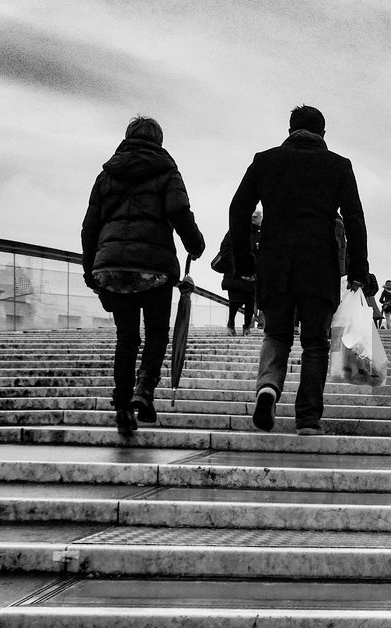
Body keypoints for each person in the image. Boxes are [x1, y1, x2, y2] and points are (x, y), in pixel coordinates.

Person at [228, 105, 369, 436]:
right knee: (315, 343)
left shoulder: (265, 160)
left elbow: (239, 208)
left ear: (290, 129)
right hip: (319, 265)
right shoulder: (338, 165)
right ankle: (307, 419)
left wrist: (245, 260)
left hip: (275, 262)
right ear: (323, 133)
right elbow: (354, 219)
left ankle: (268, 389)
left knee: (276, 333)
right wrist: (358, 269)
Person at [81, 116, 205, 436]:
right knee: (156, 334)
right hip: (153, 268)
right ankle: (144, 389)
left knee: (127, 338)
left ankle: (122, 404)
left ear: (127, 138)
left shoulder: (106, 175)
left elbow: (90, 226)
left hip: (113, 268)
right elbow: (179, 211)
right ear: (159, 141)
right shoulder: (166, 171)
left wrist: (89, 270)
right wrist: (195, 244)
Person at [221, 208, 261, 335]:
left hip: (250, 273)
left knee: (249, 300)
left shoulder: (260, 234)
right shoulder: (237, 230)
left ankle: (246, 327)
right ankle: (231, 322)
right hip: (236, 272)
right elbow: (225, 248)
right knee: (236, 300)